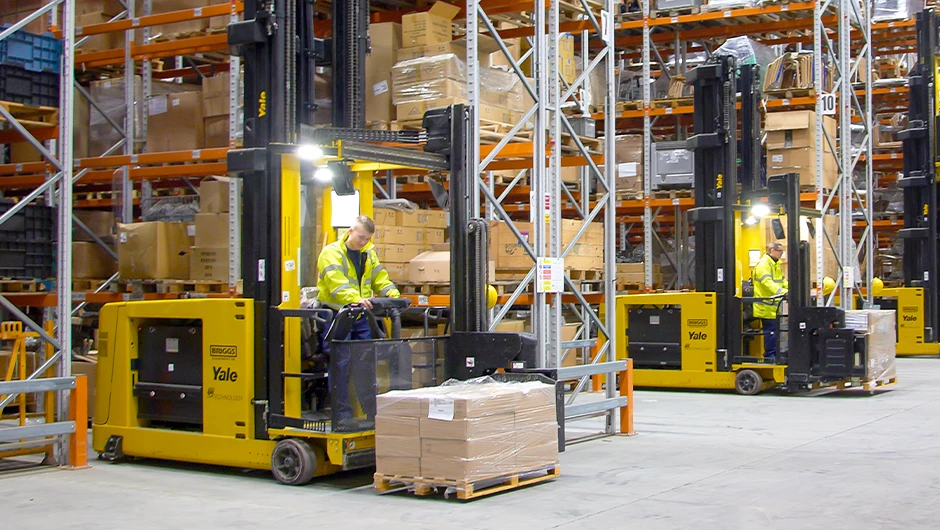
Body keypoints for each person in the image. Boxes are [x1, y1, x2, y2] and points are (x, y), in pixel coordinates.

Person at [316, 215, 400, 429]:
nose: (363, 242)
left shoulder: (368, 254)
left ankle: (371, 414)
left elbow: (379, 277)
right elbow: (337, 284)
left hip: (361, 315)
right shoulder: (331, 253)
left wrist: (391, 293)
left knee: (365, 364)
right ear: (351, 231)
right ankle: (342, 416)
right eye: (361, 237)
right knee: (340, 365)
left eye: (367, 239)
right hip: (338, 316)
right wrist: (356, 299)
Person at [752, 241, 788, 361]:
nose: (781, 254)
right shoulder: (763, 265)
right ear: (772, 250)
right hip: (765, 306)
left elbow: (782, 281)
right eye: (780, 251)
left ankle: (776, 354)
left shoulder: (775, 265)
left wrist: (791, 290)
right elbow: (768, 283)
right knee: (771, 332)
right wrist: (783, 292)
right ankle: (770, 356)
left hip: (774, 306)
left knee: (777, 332)